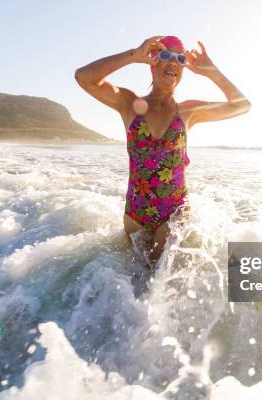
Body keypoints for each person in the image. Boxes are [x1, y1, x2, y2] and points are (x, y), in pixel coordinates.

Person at [75, 35, 251, 272]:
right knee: (130, 285)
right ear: (152, 63)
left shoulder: (189, 111)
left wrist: (211, 71)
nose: (173, 62)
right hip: (135, 214)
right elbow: (84, 77)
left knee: (156, 287)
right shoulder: (129, 103)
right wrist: (133, 55)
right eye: (166, 55)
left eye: (180, 58)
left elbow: (242, 105)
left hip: (173, 215)